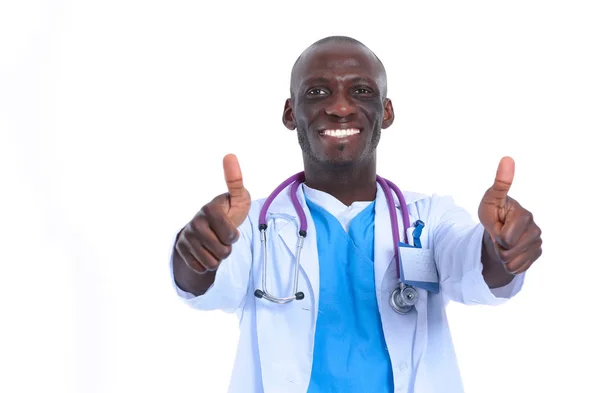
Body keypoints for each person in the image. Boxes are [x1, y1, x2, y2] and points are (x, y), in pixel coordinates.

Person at [169, 36, 542, 393]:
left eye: (361, 91)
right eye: (317, 92)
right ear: (290, 113)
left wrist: (500, 248)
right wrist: (196, 252)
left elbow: (470, 266)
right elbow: (206, 285)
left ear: (387, 111)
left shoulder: (428, 219)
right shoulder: (253, 225)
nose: (341, 107)